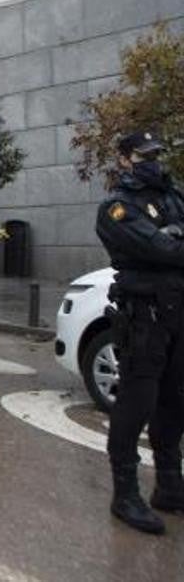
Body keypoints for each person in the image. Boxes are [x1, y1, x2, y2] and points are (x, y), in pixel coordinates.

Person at [95, 131, 184, 534]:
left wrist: (170, 238)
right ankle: (125, 495)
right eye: (143, 154)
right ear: (125, 159)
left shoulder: (172, 196)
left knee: (175, 401)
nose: (152, 159)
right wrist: (168, 239)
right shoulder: (117, 206)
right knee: (137, 404)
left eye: (156, 152)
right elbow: (162, 251)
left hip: (176, 311)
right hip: (143, 315)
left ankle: (169, 486)